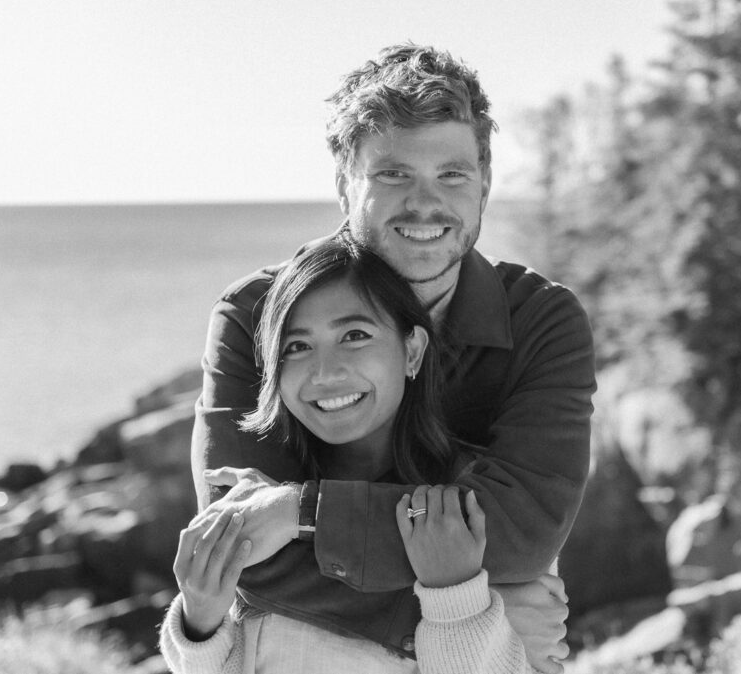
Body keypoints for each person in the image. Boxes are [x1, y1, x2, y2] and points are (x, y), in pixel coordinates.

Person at [190, 43, 595, 672]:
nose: (425, 203)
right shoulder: (254, 316)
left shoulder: (540, 320)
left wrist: (299, 511)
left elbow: (523, 535)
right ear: (343, 183)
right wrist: (483, 613)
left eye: (452, 175)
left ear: (484, 183)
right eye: (393, 174)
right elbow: (237, 557)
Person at [161, 235, 534, 673]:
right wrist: (199, 622)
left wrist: (457, 602)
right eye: (296, 347)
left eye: (354, 335)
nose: (325, 372)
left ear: (412, 349)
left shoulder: (472, 499)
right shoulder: (253, 503)